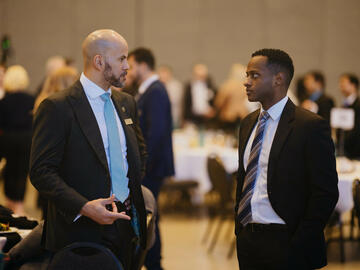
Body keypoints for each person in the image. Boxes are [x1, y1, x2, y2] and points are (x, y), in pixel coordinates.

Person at [30, 29, 148, 270]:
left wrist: (129, 195)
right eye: (122, 59)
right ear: (99, 61)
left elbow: (138, 153)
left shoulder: (126, 103)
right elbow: (41, 172)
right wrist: (83, 207)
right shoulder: (58, 107)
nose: (128, 66)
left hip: (124, 227)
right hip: (78, 233)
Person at [235, 49, 338, 270]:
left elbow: (325, 192)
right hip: (249, 241)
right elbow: (244, 180)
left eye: (254, 75)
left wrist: (300, 241)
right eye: (247, 75)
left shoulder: (309, 126)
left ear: (278, 79)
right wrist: (239, 231)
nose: (246, 82)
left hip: (287, 241)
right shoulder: (247, 123)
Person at [128, 48, 174, 270]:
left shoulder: (155, 90)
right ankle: (152, 262)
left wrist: (143, 167)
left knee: (149, 215)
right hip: (151, 166)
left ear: (143, 65)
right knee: (149, 214)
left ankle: (154, 263)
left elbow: (155, 134)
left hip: (152, 167)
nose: (129, 69)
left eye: (132, 64)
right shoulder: (147, 90)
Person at [0, 65, 34, 215]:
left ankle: (10, 201)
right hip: (27, 139)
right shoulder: (31, 99)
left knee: (9, 170)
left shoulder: (4, 101)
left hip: (7, 140)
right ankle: (19, 203)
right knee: (22, 172)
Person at [338, 73, 360, 159]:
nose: (341, 85)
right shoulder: (344, 104)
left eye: (343, 82)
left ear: (353, 85)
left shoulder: (358, 104)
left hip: (356, 150)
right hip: (344, 149)